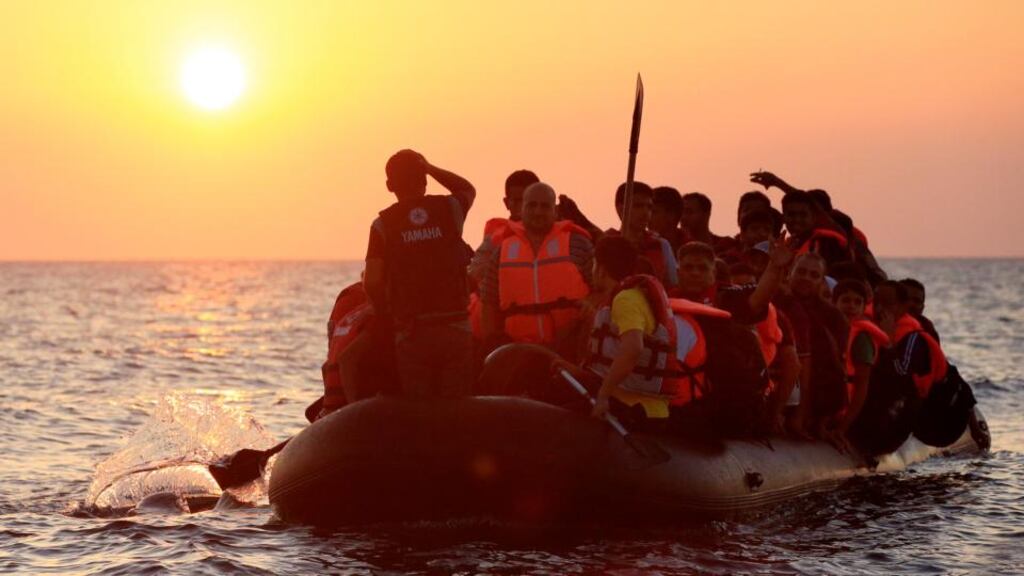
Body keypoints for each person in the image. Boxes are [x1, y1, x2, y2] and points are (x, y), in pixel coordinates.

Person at [576, 236, 728, 430]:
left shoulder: (625, 299)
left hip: (637, 408)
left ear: (601, 268)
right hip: (638, 402)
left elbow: (633, 348)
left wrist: (603, 396)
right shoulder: (629, 296)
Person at [364, 149, 476, 398]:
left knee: (418, 410)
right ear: (424, 180)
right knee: (456, 408)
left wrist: (386, 314)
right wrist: (431, 167)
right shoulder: (450, 208)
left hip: (412, 333)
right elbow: (467, 188)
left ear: (389, 185)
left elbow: (372, 280)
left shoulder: (382, 225)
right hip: (455, 327)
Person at [480, 182, 593, 358]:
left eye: (544, 206)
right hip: (516, 353)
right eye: (532, 205)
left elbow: (601, 289)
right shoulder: (502, 250)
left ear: (555, 211)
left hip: (570, 351)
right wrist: (491, 344)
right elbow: (488, 301)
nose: (538, 211)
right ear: (522, 209)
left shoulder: (579, 244)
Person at [774, 252, 850, 437]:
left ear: (822, 281)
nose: (806, 278)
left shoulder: (834, 317)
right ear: (790, 272)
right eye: (801, 271)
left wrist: (804, 414)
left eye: (814, 275)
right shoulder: (775, 302)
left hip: (815, 393)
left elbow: (832, 367)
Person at [317, 281, 397, 420]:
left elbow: (327, 366)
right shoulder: (381, 316)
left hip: (327, 413)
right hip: (345, 416)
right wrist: (356, 414)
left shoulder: (349, 300)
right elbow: (347, 360)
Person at [826, 279, 890, 450]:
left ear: (863, 308)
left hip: (847, 413)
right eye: (845, 300)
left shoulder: (861, 339)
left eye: (857, 302)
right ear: (834, 303)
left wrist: (842, 429)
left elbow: (861, 387)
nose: (851, 306)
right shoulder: (828, 330)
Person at [468, 170, 540, 283]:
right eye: (517, 201)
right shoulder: (496, 237)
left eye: (529, 202)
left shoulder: (556, 233)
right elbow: (475, 272)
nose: (523, 207)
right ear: (506, 203)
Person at [610, 182, 679, 288]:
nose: (645, 212)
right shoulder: (606, 243)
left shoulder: (661, 245)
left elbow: (673, 285)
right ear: (620, 209)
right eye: (638, 206)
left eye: (649, 207)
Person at [780, 191, 852, 271]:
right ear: (783, 218)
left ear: (813, 217)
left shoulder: (827, 243)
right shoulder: (785, 246)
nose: (797, 219)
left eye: (803, 215)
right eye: (791, 215)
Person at [899, 278, 941, 342]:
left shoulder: (929, 331)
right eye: (906, 299)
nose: (911, 304)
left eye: (916, 301)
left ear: (922, 308)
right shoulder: (880, 323)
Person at [651, 186, 688, 252]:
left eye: (654, 212)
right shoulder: (639, 247)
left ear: (671, 215)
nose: (647, 216)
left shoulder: (695, 250)